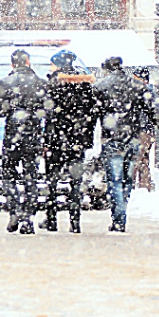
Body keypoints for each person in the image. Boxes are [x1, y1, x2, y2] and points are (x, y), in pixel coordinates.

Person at [94, 57, 159, 232]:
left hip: (112, 139)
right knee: (127, 179)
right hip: (132, 138)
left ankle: (118, 218)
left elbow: (92, 114)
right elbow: (153, 111)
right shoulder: (137, 86)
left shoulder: (100, 87)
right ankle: (121, 213)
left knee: (114, 180)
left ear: (107, 70)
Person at [0, 50, 48, 235]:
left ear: (13, 64)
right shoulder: (41, 83)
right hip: (32, 134)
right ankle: (28, 218)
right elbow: (48, 111)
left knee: (8, 173)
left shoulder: (6, 82)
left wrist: (11, 108)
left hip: (13, 134)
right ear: (28, 62)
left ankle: (15, 208)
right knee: (31, 176)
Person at [42, 49, 98, 234]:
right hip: (77, 141)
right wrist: (85, 137)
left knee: (52, 181)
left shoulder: (52, 84)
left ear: (58, 64)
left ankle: (51, 219)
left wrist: (47, 140)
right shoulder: (85, 84)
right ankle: (75, 221)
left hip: (56, 140)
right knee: (76, 181)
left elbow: (48, 114)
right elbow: (93, 112)